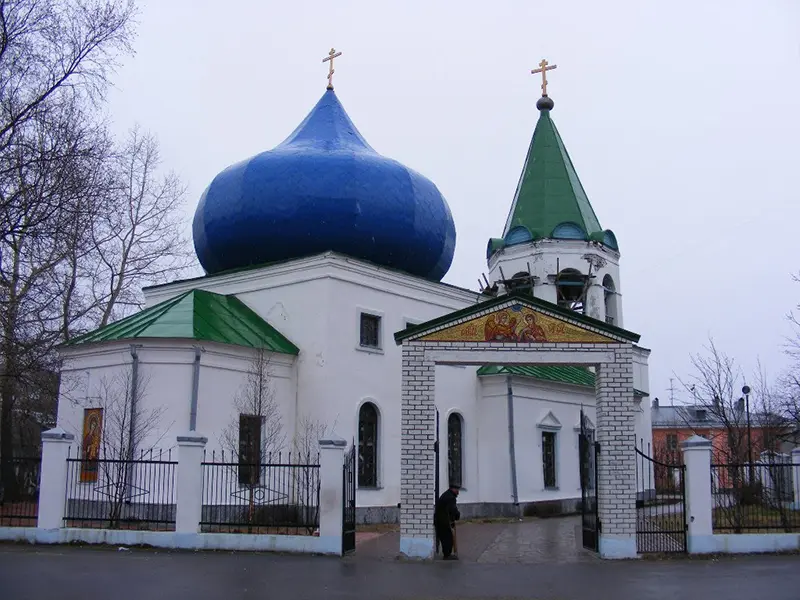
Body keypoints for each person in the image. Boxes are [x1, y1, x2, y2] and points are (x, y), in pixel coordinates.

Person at [434, 483, 461, 560]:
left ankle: (446, 553)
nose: (458, 492)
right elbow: (452, 509)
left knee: (444, 537)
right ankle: (447, 555)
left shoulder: (446, 495)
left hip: (440, 520)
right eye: (457, 490)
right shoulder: (450, 497)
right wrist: (457, 515)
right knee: (447, 537)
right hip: (443, 521)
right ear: (453, 489)